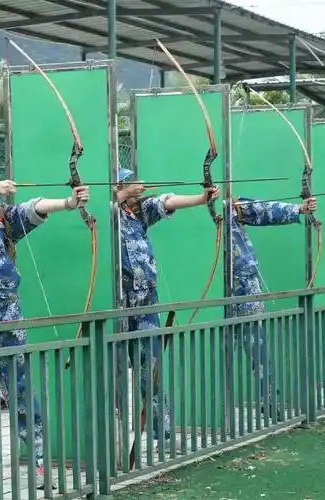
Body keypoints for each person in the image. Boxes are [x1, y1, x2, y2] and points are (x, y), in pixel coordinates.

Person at [0, 154, 89, 485]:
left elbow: (33, 208)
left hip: (7, 315)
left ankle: (39, 462)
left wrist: (68, 202)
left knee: (22, 392)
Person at [113, 167, 219, 443]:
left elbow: (166, 201)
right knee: (113, 371)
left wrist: (201, 198)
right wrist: (121, 194)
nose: (136, 187)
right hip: (116, 303)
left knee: (153, 367)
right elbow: (104, 208)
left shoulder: (138, 213)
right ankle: (116, 434)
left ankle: (164, 431)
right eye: (127, 183)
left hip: (146, 301)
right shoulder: (108, 213)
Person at [226, 194, 317, 417]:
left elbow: (261, 208)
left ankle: (269, 402)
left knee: (258, 350)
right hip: (228, 289)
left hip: (246, 289)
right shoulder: (212, 208)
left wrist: (299, 208)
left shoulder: (232, 207)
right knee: (220, 352)